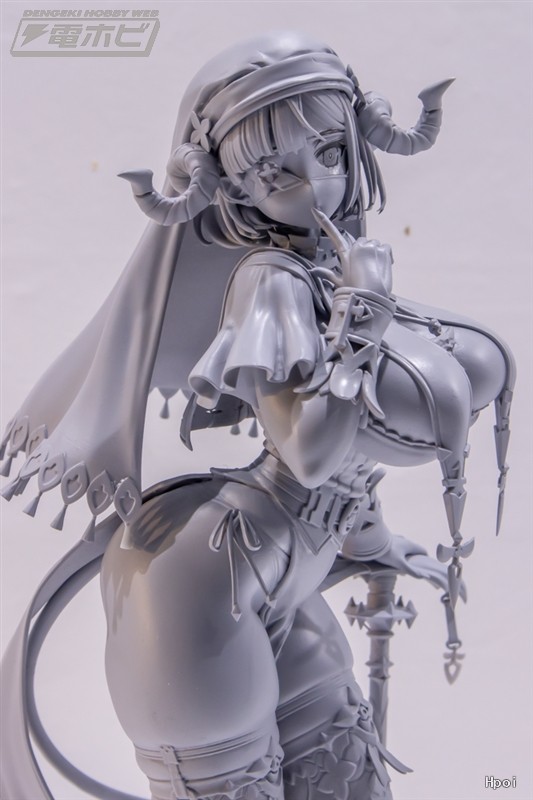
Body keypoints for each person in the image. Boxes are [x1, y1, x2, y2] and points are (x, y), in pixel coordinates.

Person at [0, 32, 514, 800]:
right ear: (236, 192)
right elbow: (307, 451)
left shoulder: (327, 270)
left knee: (351, 777)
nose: (316, 186)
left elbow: (345, 456)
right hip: (197, 592)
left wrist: (374, 545)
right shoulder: (269, 281)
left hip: (277, 574)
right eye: (276, 173)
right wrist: (362, 319)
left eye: (330, 153)